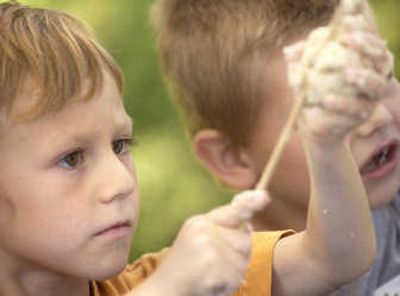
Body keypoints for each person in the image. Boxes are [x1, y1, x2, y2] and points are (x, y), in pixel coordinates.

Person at [0, 1, 382, 296]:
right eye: (72, 158)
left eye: (120, 145)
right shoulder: (166, 285)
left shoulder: (150, 281)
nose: (120, 182)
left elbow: (335, 257)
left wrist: (326, 142)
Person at [152, 0, 400, 294]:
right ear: (231, 158)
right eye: (326, 104)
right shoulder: (230, 278)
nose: (378, 118)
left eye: (379, 76)